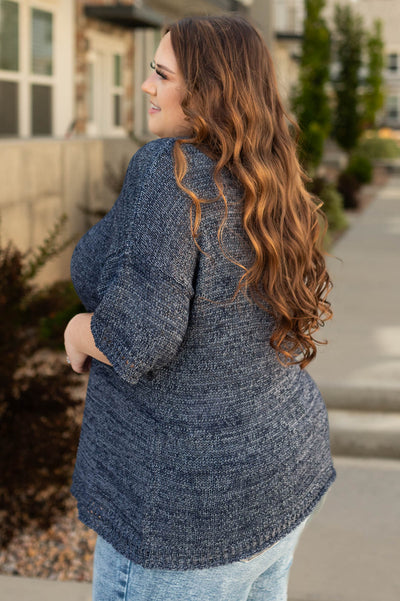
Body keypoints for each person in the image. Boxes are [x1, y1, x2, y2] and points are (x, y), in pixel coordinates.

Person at [64, 14, 336, 601]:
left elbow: (138, 338)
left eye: (161, 74)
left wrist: (80, 331)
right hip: (278, 471)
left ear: (209, 91)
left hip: (184, 511)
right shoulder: (270, 174)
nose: (145, 86)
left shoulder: (169, 171)